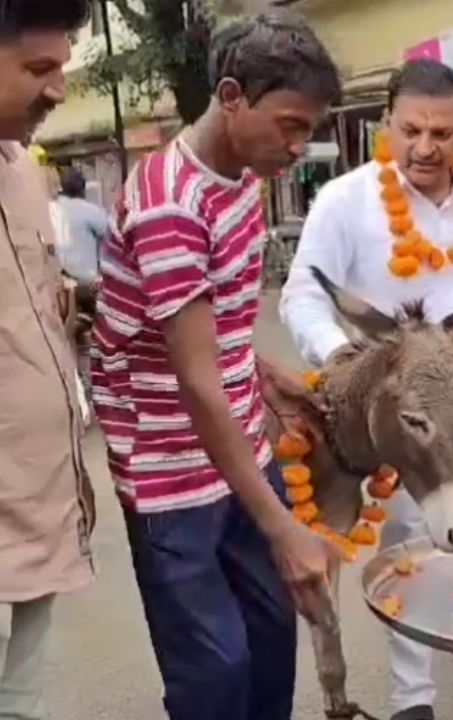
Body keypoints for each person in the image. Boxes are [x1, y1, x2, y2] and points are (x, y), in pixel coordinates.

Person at [279, 59, 453, 720]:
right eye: (411, 131)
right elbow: (302, 297)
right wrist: (343, 358)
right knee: (411, 557)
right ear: (387, 125)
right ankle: (413, 699)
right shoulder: (345, 201)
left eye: (441, 133)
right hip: (406, 425)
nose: (425, 147)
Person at [89, 13, 341, 720]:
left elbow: (212, 326)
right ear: (231, 96)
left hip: (239, 452)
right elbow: (196, 380)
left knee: (270, 641)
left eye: (308, 129)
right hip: (168, 474)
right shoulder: (170, 204)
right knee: (217, 673)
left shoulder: (242, 178)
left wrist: (262, 375)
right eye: (290, 125)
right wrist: (283, 528)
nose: (298, 146)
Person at [0, 2, 96, 718]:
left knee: (24, 694)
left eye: (61, 67)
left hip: (38, 485)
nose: (58, 89)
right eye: (39, 68)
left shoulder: (24, 173)